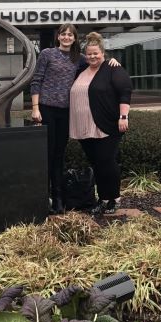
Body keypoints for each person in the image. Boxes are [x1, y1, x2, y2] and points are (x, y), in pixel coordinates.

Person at [29, 24, 120, 214]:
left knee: (59, 156)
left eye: (70, 34)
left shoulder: (78, 58)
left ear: (75, 38)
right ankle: (43, 198)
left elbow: (97, 61)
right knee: (47, 154)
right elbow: (36, 80)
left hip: (65, 112)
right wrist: (35, 108)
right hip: (46, 109)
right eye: (64, 34)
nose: (67, 37)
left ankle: (58, 199)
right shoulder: (47, 54)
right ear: (58, 36)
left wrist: (112, 61)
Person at [69, 32, 132, 215]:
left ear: (102, 53)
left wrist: (123, 116)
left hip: (106, 125)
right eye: (89, 54)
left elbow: (125, 91)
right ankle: (103, 199)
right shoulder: (81, 70)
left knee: (107, 162)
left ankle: (114, 198)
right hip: (84, 127)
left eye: (95, 53)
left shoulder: (113, 69)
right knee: (97, 163)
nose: (92, 57)